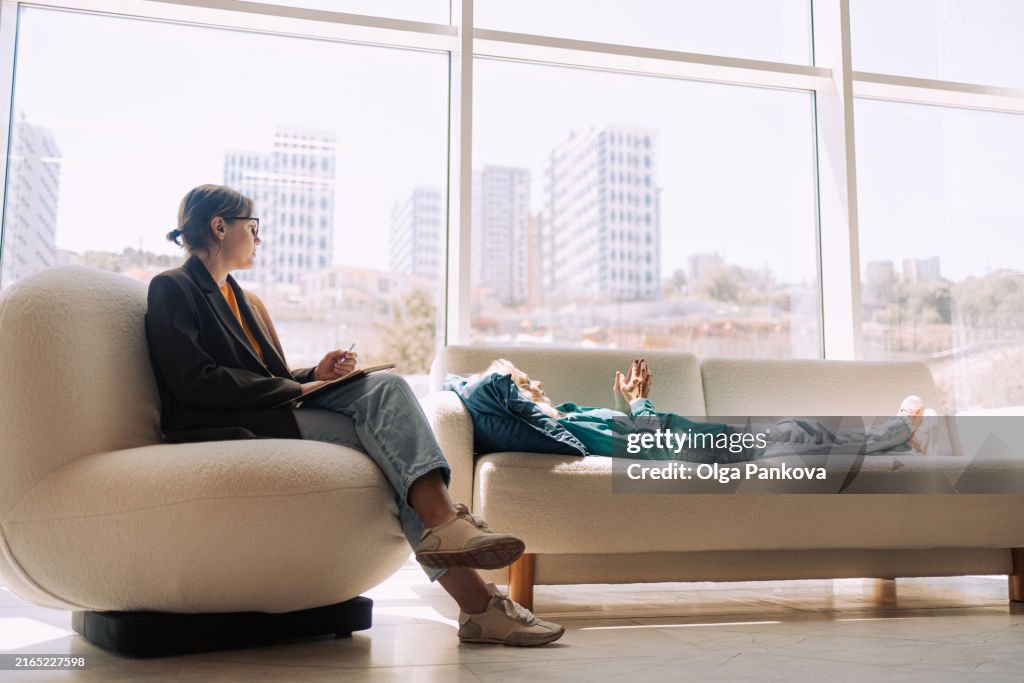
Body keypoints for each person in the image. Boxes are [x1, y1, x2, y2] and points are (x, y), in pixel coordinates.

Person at [145, 184, 564, 647]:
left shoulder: (238, 296)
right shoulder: (174, 287)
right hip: (227, 427)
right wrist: (296, 387)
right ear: (219, 226)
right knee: (391, 416)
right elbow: (195, 381)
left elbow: (262, 373)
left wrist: (313, 373)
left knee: (394, 428)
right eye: (253, 226)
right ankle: (465, 570)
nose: (259, 238)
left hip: (270, 410)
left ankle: (471, 587)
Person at [476, 358, 939, 462]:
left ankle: (902, 439)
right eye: (524, 382)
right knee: (801, 430)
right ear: (517, 401)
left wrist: (630, 403)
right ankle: (900, 429)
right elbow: (649, 441)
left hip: (707, 441)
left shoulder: (572, 418)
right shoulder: (573, 431)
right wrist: (639, 401)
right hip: (700, 452)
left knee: (805, 433)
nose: (535, 382)